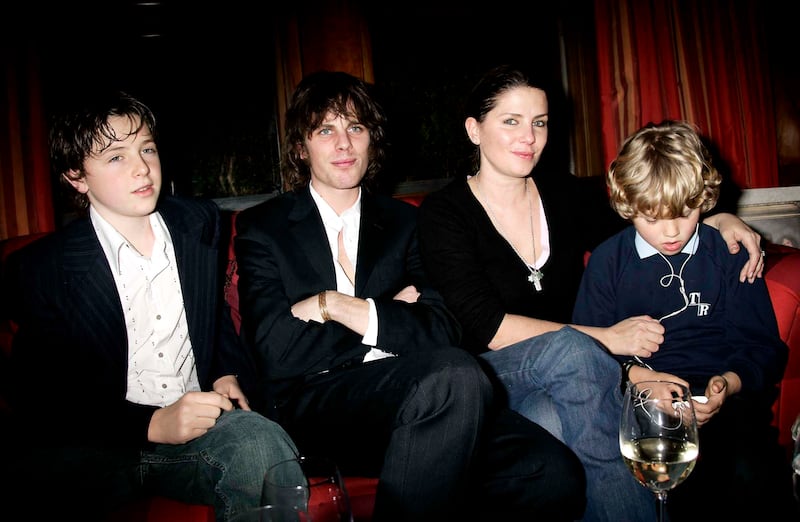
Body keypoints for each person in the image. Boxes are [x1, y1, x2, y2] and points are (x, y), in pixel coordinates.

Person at [233, 70, 587, 522]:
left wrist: (340, 308)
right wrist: (389, 318)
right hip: (314, 407)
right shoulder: (264, 227)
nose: (344, 144)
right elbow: (276, 352)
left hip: (414, 396)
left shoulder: (404, 223)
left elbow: (445, 326)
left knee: (552, 473)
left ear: (371, 142)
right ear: (302, 147)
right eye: (326, 130)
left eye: (356, 128)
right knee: (455, 374)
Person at [416, 64, 766, 521]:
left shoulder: (564, 195)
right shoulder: (445, 214)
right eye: (511, 121)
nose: (529, 136)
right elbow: (488, 327)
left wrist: (719, 219)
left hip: (577, 379)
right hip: (493, 374)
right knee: (572, 359)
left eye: (539, 122)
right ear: (473, 129)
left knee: (559, 434)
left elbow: (652, 208)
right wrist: (606, 339)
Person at [1, 91, 299, 521]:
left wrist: (225, 371)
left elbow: (211, 313)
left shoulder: (198, 223)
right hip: (94, 444)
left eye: (147, 148)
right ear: (75, 175)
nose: (142, 167)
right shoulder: (43, 268)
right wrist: (149, 425)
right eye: (115, 157)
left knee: (260, 443)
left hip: (200, 432)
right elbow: (39, 395)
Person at [572, 119, 798, 520]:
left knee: (752, 478)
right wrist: (639, 381)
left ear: (705, 199)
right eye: (652, 218)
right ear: (628, 206)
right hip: (635, 401)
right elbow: (585, 355)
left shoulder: (726, 252)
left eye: (685, 211)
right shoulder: (609, 261)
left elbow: (763, 348)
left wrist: (727, 384)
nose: (672, 231)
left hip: (725, 406)